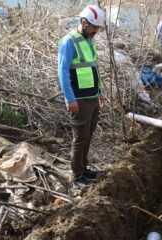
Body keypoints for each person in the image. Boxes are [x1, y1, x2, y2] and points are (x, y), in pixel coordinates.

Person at [58, 5, 106, 188]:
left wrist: (100, 91)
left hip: (92, 97)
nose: (96, 31)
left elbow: (92, 67)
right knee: (79, 138)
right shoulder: (68, 42)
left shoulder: (88, 40)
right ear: (84, 23)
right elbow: (62, 72)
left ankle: (84, 169)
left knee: (88, 135)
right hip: (79, 99)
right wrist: (70, 99)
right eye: (94, 27)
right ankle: (78, 177)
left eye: (98, 28)